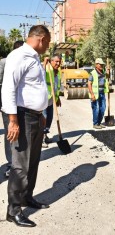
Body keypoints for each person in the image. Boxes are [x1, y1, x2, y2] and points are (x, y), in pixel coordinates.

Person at [1, 25, 51, 228]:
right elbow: (8, 88)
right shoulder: (19, 56)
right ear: (41, 39)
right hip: (21, 117)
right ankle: (13, 211)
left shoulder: (34, 58)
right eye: (47, 43)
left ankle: (26, 197)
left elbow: (35, 88)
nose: (48, 47)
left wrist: (42, 114)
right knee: (20, 165)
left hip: (35, 117)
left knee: (33, 162)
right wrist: (12, 121)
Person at [0, 40, 24, 177]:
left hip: (22, 106)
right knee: (11, 135)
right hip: (7, 107)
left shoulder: (25, 62)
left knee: (20, 135)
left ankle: (19, 163)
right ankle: (11, 164)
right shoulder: (4, 62)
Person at [42, 54, 62, 148]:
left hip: (51, 100)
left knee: (49, 120)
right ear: (52, 61)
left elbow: (56, 86)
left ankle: (45, 135)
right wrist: (45, 63)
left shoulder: (58, 73)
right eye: (56, 61)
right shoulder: (47, 69)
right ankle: (41, 139)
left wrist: (58, 98)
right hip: (44, 99)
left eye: (59, 61)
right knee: (44, 119)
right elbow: (40, 75)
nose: (58, 63)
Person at [87, 58, 110, 129]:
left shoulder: (103, 72)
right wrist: (92, 94)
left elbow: (107, 77)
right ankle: (95, 123)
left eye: (102, 64)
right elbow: (89, 84)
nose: (101, 66)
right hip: (95, 94)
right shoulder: (92, 73)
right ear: (96, 64)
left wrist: (108, 71)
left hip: (102, 93)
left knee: (103, 108)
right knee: (96, 109)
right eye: (100, 64)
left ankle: (99, 123)